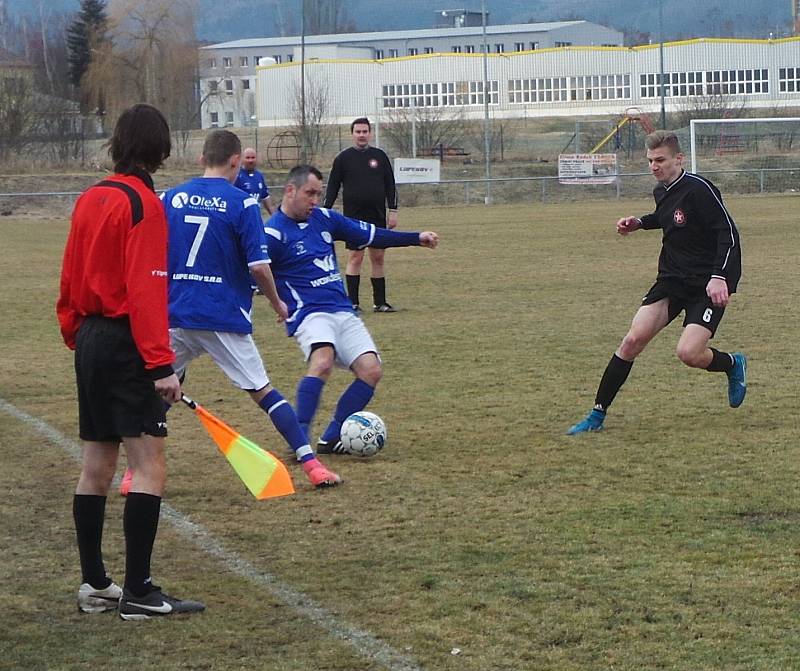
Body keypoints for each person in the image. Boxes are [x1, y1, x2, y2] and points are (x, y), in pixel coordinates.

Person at [121, 130, 340, 491]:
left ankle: (132, 473)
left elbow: (150, 251)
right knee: (264, 393)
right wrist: (276, 301)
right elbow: (258, 266)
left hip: (176, 312)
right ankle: (312, 465)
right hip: (223, 316)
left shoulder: (170, 198)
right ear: (236, 161)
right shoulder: (243, 203)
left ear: (201, 159)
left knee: (156, 390)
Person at [57, 103, 205, 619]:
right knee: (149, 465)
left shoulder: (91, 196)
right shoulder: (144, 204)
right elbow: (146, 291)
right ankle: (139, 591)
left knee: (96, 464)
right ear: (161, 149)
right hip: (124, 342)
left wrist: (76, 330)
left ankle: (97, 584)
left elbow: (70, 274)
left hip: (92, 339)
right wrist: (161, 365)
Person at [567, 130, 746, 435]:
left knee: (688, 353)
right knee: (632, 340)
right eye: (650, 160)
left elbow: (727, 233)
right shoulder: (662, 191)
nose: (654, 166)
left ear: (679, 159)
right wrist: (639, 222)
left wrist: (720, 277)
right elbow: (668, 218)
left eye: (660, 160)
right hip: (671, 280)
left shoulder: (700, 189)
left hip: (705, 285)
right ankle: (596, 416)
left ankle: (732, 363)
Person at [266, 165, 439, 453]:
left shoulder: (324, 219)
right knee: (322, 361)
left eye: (318, 194)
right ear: (290, 190)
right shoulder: (272, 233)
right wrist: (276, 300)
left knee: (371, 371)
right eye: (309, 193)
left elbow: (371, 234)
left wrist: (415, 238)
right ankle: (299, 440)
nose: (315, 201)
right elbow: (253, 273)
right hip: (310, 313)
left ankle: (331, 437)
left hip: (342, 310)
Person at [323, 117, 399, 313]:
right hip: (353, 217)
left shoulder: (380, 156)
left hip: (377, 215)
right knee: (355, 257)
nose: (361, 135)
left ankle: (380, 302)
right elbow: (333, 186)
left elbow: (390, 185)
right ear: (352, 134)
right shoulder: (343, 158)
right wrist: (325, 210)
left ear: (370, 133)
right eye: (358, 132)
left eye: (365, 131)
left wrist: (393, 210)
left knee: (378, 257)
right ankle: (353, 303)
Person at [234, 147, 276, 217]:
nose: (250, 160)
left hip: (256, 218)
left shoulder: (259, 176)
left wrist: (275, 217)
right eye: (247, 158)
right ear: (242, 159)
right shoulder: (236, 176)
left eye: (253, 157)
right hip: (241, 218)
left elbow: (265, 197)